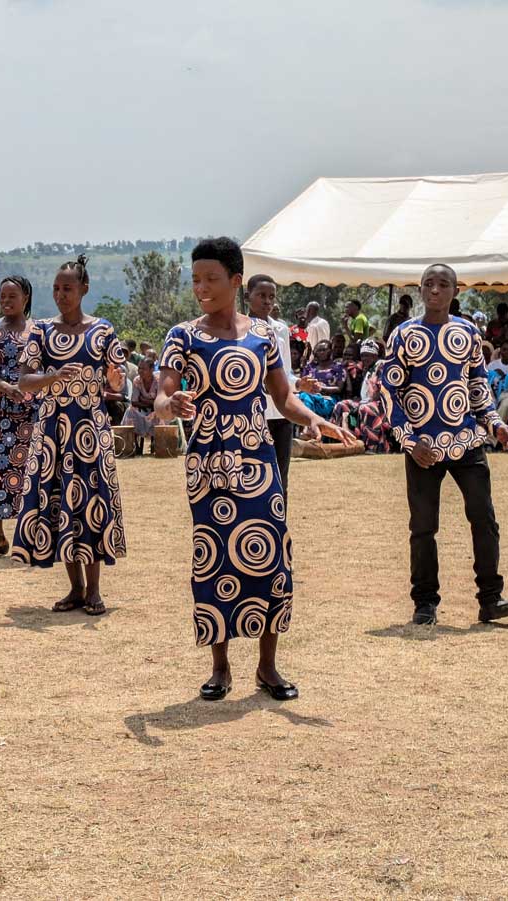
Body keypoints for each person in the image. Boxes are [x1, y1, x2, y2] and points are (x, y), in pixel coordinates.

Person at [154, 237, 355, 701]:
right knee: (214, 558)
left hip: (258, 459)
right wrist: (172, 403)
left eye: (211, 278)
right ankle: (220, 667)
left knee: (270, 556)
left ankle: (267, 666)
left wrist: (314, 418)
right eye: (196, 279)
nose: (201, 287)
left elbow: (282, 398)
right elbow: (163, 398)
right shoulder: (182, 336)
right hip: (208, 462)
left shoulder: (262, 336)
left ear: (236, 280)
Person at [381, 262, 508, 626]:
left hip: (467, 442)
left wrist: (494, 422)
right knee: (423, 527)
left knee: (484, 518)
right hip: (423, 448)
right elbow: (389, 391)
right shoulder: (403, 334)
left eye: (443, 285)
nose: (435, 290)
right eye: (429, 284)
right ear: (422, 289)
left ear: (456, 292)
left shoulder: (469, 333)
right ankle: (425, 602)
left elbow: (478, 385)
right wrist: (410, 442)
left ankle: (491, 598)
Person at [12, 255, 127, 617]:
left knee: (90, 502)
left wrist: (114, 377)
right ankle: (75, 588)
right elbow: (24, 380)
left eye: (68, 288)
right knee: (59, 501)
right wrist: (54, 376)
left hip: (90, 428)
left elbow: (117, 379)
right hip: (52, 429)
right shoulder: (42, 330)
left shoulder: (102, 331)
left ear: (84, 289)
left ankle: (94, 590)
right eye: (57, 289)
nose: (61, 295)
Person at [0, 275, 39, 558]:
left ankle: (35, 536)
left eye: (12, 296)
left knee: (33, 470)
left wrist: (28, 388)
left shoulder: (39, 331)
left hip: (34, 411)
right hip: (1, 410)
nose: (6, 301)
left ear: (25, 298)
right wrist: (6, 387)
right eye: (2, 296)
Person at [246, 275, 302, 491]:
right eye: (261, 295)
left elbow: (285, 374)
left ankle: (280, 525)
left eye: (271, 297)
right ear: (247, 297)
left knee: (280, 477)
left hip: (281, 415)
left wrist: (299, 384)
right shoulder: (238, 330)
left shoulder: (281, 330)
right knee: (253, 477)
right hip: (253, 415)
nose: (267, 301)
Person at [332, 338, 393, 453]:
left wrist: (364, 403)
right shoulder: (368, 369)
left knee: (366, 408)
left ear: (375, 356)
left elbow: (381, 390)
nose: (365, 358)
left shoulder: (381, 366)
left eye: (368, 355)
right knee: (342, 405)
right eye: (363, 356)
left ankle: (371, 446)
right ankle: (342, 441)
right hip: (366, 401)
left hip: (382, 405)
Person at [299, 339, 345, 417]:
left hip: (328, 399)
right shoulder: (310, 367)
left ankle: (306, 424)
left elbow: (339, 388)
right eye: (319, 350)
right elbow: (302, 384)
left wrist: (321, 388)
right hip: (310, 396)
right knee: (302, 397)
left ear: (330, 351)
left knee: (305, 398)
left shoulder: (338, 367)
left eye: (324, 350)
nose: (321, 352)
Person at [122, 358, 159, 454]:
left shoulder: (158, 381)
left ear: (151, 370)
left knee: (159, 414)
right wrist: (150, 402)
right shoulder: (137, 380)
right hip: (142, 410)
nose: (140, 371)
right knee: (130, 411)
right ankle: (133, 444)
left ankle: (156, 443)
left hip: (156, 411)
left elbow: (159, 402)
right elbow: (134, 402)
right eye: (139, 368)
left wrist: (143, 400)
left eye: (143, 369)